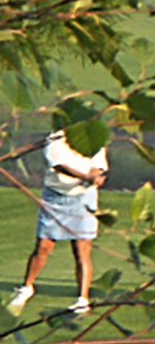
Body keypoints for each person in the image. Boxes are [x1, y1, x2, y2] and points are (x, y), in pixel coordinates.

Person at [9, 129, 110, 316]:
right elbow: (59, 165)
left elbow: (98, 165)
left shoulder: (94, 138)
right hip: (55, 198)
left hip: (83, 198)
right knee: (43, 247)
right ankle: (26, 288)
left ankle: (82, 300)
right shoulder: (55, 138)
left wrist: (95, 176)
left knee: (81, 250)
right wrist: (87, 177)